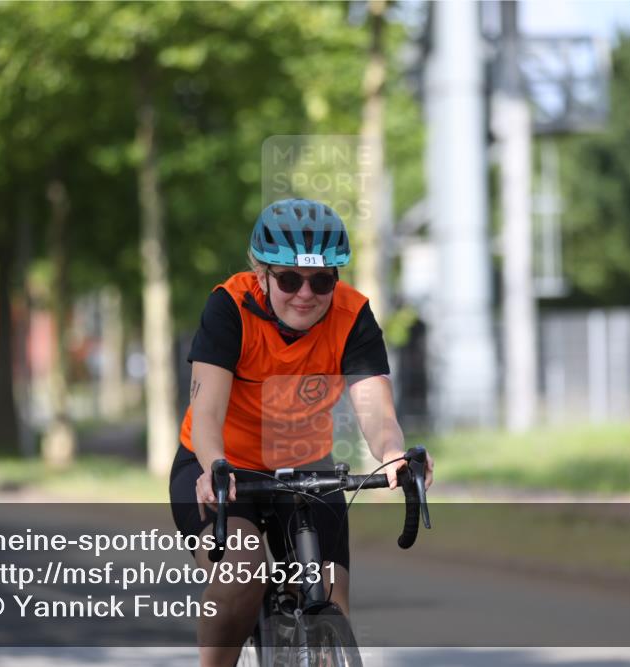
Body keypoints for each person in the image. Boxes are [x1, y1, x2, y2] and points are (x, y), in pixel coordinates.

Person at [169, 198, 434, 667]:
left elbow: (375, 409)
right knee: (240, 579)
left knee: (333, 598)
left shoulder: (353, 316)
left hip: (305, 469)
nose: (305, 294)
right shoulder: (230, 307)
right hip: (223, 467)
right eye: (289, 279)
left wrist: (393, 454)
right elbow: (206, 410)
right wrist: (215, 466)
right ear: (262, 273)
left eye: (322, 280)